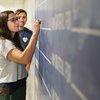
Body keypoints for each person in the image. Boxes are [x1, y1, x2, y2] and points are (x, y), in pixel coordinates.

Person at [0, 10, 40, 100]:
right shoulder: (4, 43)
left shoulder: (13, 40)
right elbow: (24, 59)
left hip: (18, 85)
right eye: (13, 20)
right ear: (4, 23)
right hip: (9, 88)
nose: (18, 21)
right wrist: (35, 33)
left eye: (17, 19)